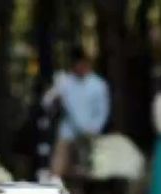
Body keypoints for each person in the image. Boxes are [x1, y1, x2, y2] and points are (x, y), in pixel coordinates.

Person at [44, 47, 111, 180]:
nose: (79, 67)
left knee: (88, 174)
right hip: (67, 134)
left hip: (89, 135)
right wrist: (56, 97)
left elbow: (102, 111)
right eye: (76, 64)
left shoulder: (98, 85)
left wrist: (94, 129)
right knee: (56, 171)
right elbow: (47, 102)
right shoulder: (65, 81)